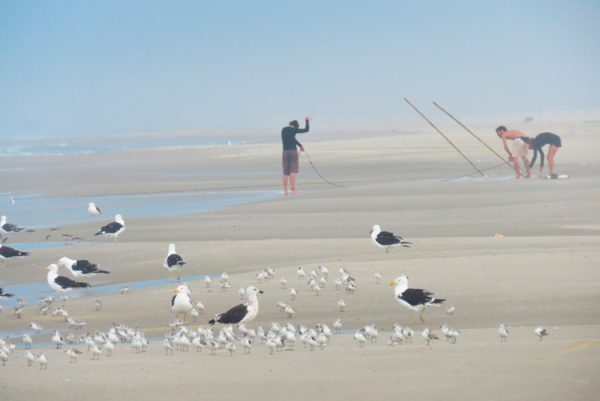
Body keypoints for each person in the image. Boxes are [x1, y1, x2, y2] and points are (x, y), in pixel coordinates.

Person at [281, 115, 311, 195]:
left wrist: (300, 145)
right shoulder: (294, 129)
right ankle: (293, 189)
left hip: (285, 152)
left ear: (290, 124)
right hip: (293, 152)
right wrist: (306, 120)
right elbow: (306, 130)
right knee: (293, 171)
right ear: (295, 126)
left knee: (285, 173)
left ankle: (285, 191)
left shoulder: (283, 130)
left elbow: (292, 138)